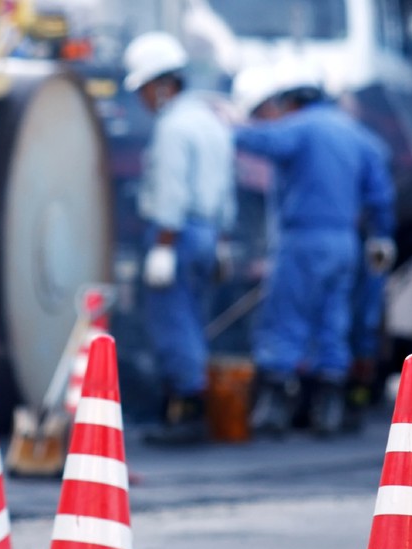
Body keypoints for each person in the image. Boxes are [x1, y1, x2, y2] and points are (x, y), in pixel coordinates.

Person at [235, 61, 396, 437]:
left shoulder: (301, 127)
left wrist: (226, 127)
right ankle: (329, 408)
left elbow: (262, 141)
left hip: (303, 239)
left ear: (292, 99)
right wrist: (382, 235)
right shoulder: (358, 135)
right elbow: (381, 192)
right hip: (344, 243)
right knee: (333, 321)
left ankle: (274, 409)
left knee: (285, 319)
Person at [123, 31, 236, 445]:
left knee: (172, 322)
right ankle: (187, 407)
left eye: (144, 89)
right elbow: (226, 189)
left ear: (163, 84)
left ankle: (188, 412)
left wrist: (164, 246)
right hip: (208, 233)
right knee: (193, 320)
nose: (142, 100)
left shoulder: (172, 127)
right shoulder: (210, 121)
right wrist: (222, 240)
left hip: (178, 234)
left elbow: (171, 190)